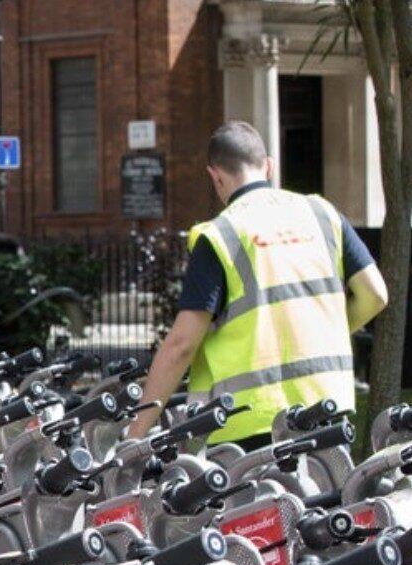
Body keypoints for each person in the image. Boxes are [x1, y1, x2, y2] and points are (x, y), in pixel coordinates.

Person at [128, 121, 388, 449]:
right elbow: (376, 295)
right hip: (326, 406)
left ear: (215, 176)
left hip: (251, 421)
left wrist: (136, 433)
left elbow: (181, 345)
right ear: (268, 166)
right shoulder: (322, 214)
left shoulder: (221, 236)